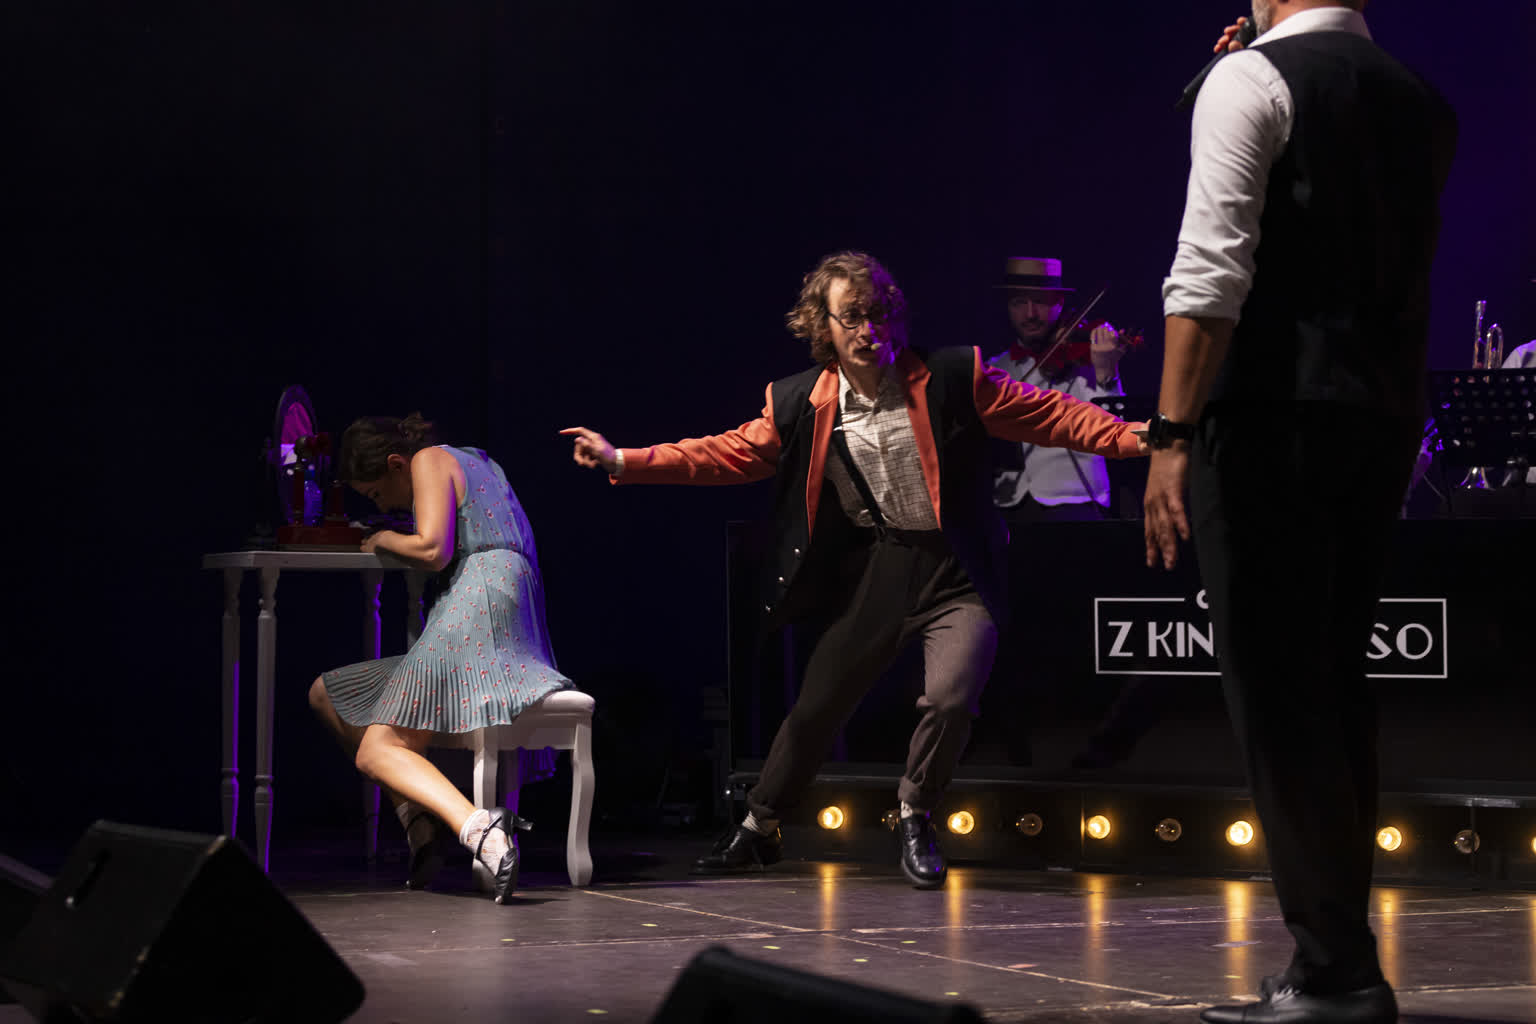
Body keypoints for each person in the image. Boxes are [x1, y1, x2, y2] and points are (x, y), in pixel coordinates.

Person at [563, 251, 1145, 889]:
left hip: (959, 566)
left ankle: (915, 813)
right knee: (819, 703)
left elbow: (1052, 414)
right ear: (825, 327)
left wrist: (1135, 436)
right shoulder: (801, 401)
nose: (870, 330)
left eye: (880, 315)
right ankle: (760, 825)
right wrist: (626, 460)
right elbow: (727, 454)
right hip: (886, 563)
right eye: (853, 318)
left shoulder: (953, 375)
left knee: (951, 698)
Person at [1143, 4, 1456, 1022]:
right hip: (1380, 419)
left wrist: (1169, 436)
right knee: (1333, 688)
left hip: (1271, 421)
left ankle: (1336, 970)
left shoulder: (1250, 81)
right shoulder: (1420, 99)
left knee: (1280, 697)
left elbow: (1210, 273)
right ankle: (1337, 959)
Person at [307, 413, 574, 903]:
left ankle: (479, 828)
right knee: (327, 693)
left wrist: (381, 538)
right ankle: (419, 824)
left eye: (377, 493)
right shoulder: (479, 462)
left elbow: (432, 548)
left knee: (375, 750)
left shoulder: (429, 459)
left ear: (396, 463)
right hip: (506, 615)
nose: (384, 505)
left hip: (478, 611)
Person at [988, 257, 1131, 524]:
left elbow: (1114, 433)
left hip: (1075, 502)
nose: (1030, 313)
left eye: (1040, 302)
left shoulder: (1087, 364)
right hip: (1008, 504)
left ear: (1060, 303)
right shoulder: (994, 369)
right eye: (1019, 302)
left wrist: (1106, 372)